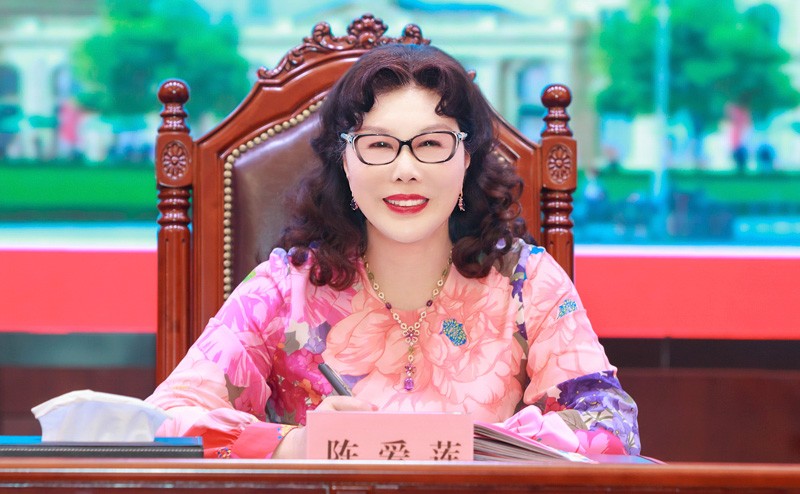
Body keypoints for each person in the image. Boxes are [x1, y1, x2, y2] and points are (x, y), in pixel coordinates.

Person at [146, 43, 640, 459]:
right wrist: (297, 444)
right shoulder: (284, 289)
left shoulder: (525, 282)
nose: (406, 170)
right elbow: (162, 425)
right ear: (344, 160)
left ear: (467, 159)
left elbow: (612, 428)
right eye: (379, 146)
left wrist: (470, 446)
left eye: (431, 144)